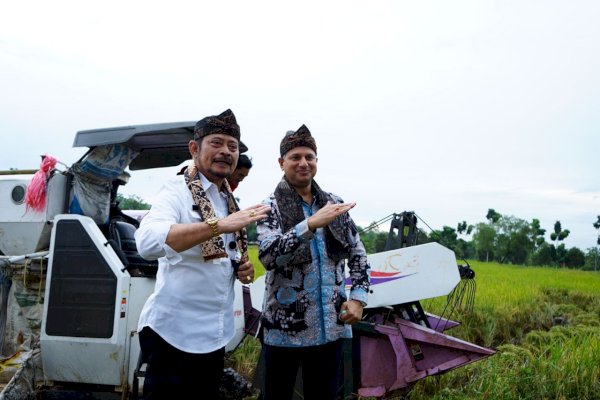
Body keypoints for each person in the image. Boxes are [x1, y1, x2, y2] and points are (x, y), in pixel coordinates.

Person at [135, 109, 270, 399]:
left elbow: (221, 255)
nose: (225, 152)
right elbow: (147, 242)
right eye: (217, 143)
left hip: (213, 334)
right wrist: (217, 226)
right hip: (174, 334)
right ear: (195, 148)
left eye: (232, 147)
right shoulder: (177, 191)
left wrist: (240, 267)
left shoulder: (226, 198)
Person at [256, 125, 371, 400]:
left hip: (330, 327)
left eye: (310, 156)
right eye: (295, 157)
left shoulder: (335, 204)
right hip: (284, 330)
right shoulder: (269, 207)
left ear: (316, 161)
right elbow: (269, 256)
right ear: (281, 163)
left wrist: (357, 298)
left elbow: (358, 254)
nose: (303, 163)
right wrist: (309, 225)